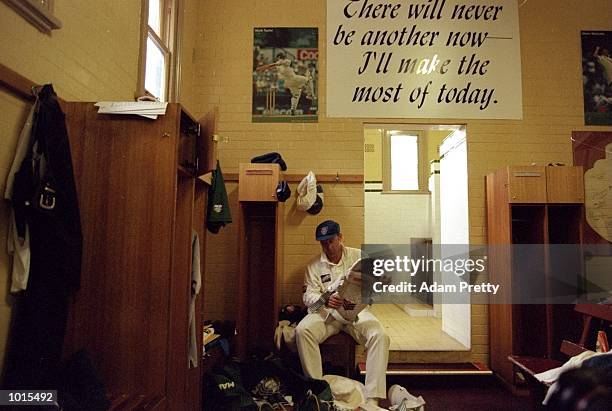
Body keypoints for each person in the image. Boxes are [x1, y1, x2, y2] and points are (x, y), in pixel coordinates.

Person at [295, 220, 390, 408]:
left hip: (356, 314)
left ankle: (372, 399)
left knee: (380, 336)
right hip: (328, 314)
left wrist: (381, 284)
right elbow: (308, 296)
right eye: (323, 243)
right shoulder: (313, 266)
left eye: (331, 241)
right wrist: (324, 299)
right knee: (302, 331)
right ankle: (319, 391)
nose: (328, 246)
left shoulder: (359, 256)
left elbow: (372, 287)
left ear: (340, 237)